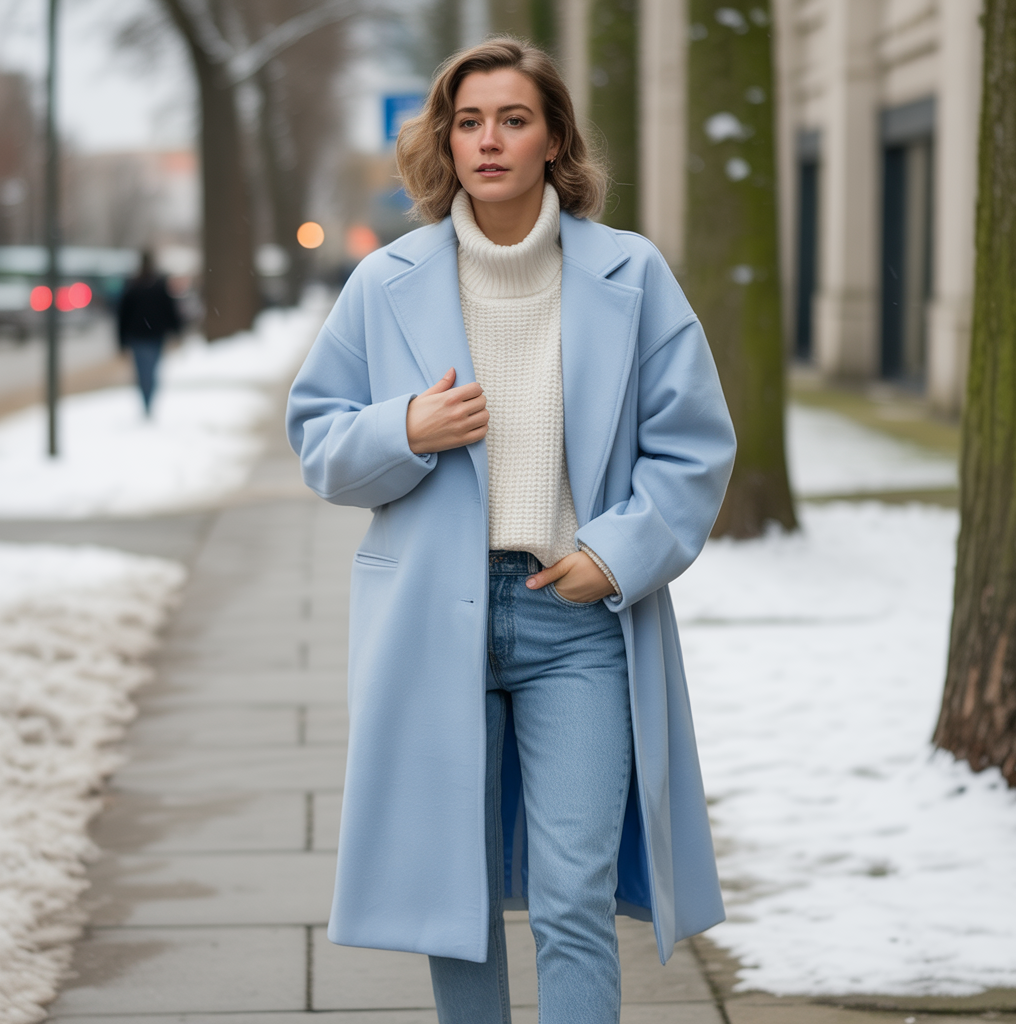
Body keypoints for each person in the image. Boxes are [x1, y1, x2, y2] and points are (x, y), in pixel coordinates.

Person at [286, 38, 736, 1024]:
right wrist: (406, 426)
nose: (488, 140)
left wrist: (612, 554)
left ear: (553, 140)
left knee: (573, 893)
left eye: (513, 119)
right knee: (456, 901)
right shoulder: (386, 281)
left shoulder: (631, 273)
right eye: (469, 120)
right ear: (446, 140)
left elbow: (693, 447)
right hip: (429, 619)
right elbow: (317, 440)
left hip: (573, 618)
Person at [117, 251, 182, 416]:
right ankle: (148, 402)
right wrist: (176, 330)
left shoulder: (133, 285)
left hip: (139, 336)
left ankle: (147, 402)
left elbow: (122, 315)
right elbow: (170, 311)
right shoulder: (157, 285)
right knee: (151, 371)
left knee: (143, 372)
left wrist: (121, 340)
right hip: (154, 336)